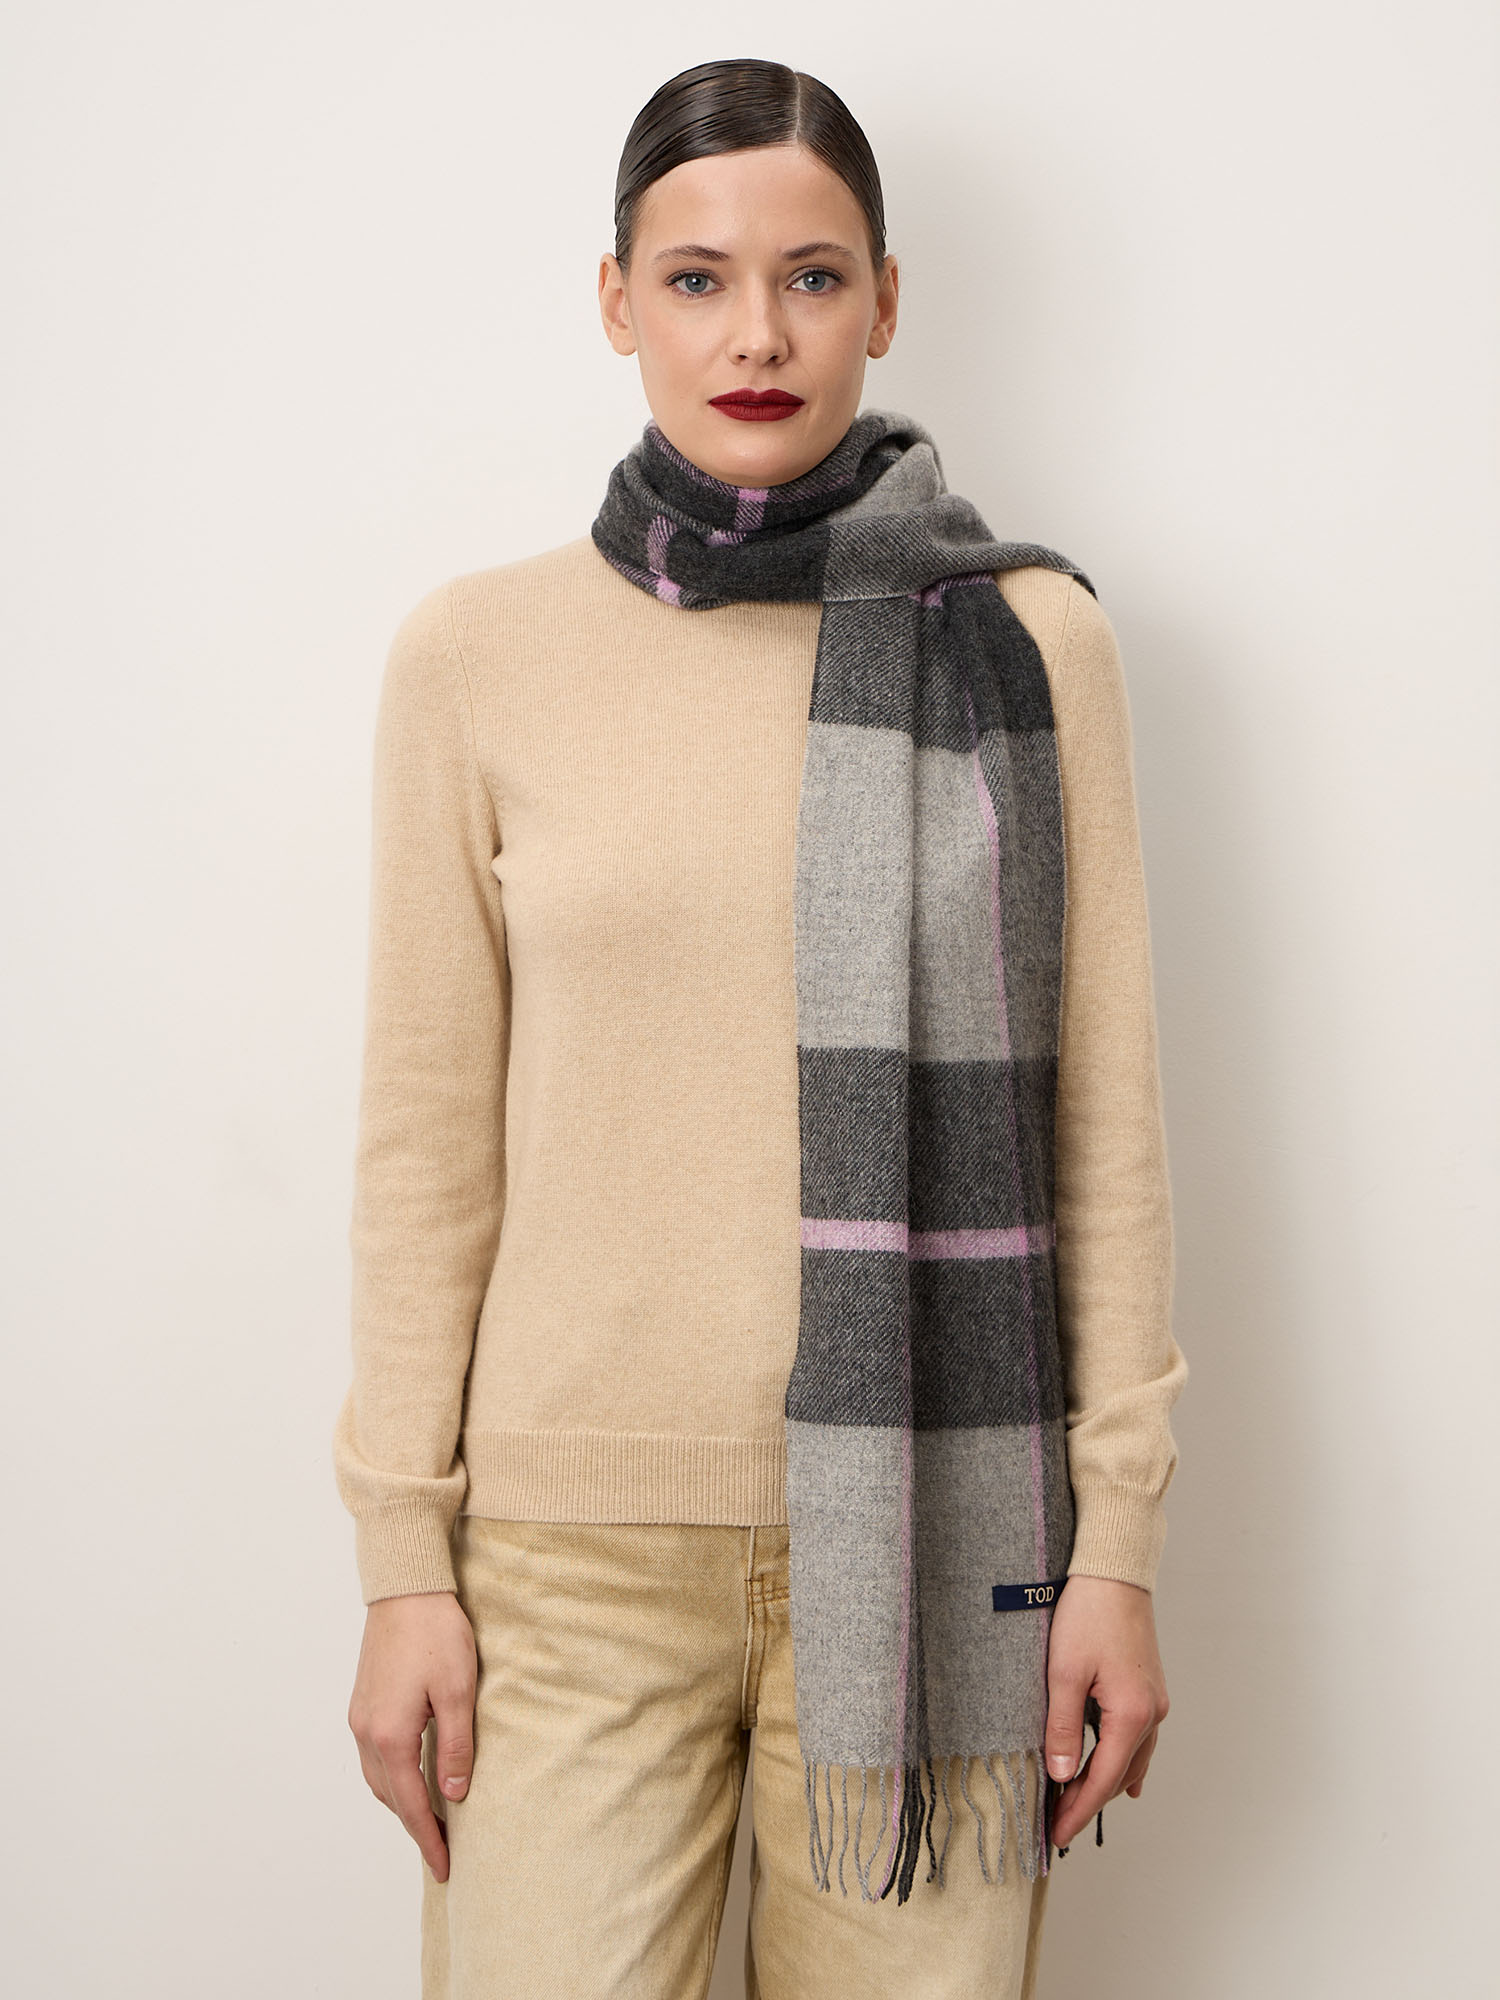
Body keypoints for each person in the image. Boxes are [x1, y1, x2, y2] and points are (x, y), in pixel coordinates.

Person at [334, 56, 1187, 2000]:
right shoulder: (476, 658)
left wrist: (1119, 1541)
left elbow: (1107, 1124)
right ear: (615, 300)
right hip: (565, 1560)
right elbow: (423, 1148)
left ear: (883, 302)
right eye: (698, 278)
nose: (756, 333)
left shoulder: (1027, 648)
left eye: (811, 277)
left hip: (945, 1536)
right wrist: (402, 1562)